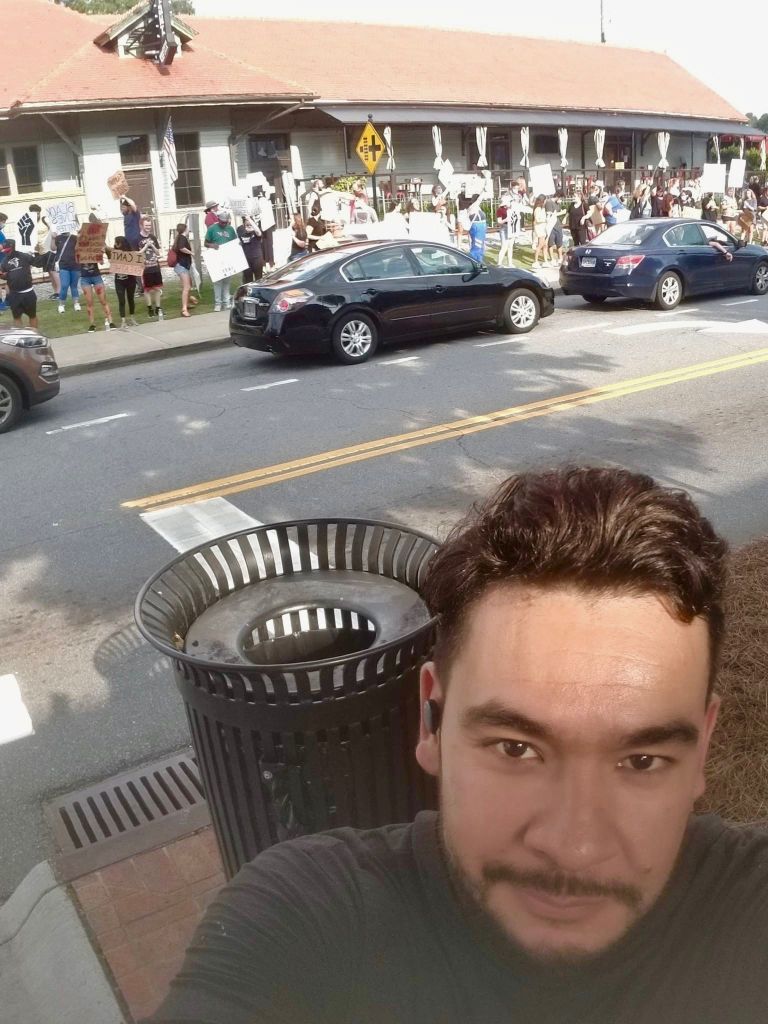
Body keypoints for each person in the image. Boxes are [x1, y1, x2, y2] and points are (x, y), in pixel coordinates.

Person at [150, 465, 768, 1024]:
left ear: (703, 749)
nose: (574, 845)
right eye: (515, 748)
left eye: (641, 761)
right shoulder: (307, 917)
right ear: (432, 720)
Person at [0, 239, 43, 328]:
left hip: (28, 292)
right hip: (15, 294)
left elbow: (38, 264)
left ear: (13, 247)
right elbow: (4, 276)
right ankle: (20, 336)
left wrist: (38, 252)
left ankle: (34, 335)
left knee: (32, 315)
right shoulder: (4, 262)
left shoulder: (24, 256)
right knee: (16, 317)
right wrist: (2, 275)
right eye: (5, 251)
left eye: (8, 250)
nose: (6, 253)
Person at [204, 208, 237, 312]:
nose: (224, 224)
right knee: (218, 281)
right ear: (218, 219)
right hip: (216, 258)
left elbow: (235, 242)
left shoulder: (230, 229)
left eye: (225, 222)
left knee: (227, 281)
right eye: (222, 222)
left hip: (227, 258)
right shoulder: (212, 229)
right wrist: (212, 245)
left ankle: (226, 302)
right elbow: (205, 243)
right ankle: (218, 303)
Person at [109, 236, 139, 330]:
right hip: (119, 280)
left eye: (116, 243)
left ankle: (132, 318)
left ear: (120, 243)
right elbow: (110, 258)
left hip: (130, 280)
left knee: (131, 299)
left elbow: (138, 257)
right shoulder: (114, 253)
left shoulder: (130, 253)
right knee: (121, 300)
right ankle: (123, 321)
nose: (115, 244)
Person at [138, 216, 164, 319]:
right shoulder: (137, 238)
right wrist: (145, 246)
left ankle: (158, 308)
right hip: (145, 268)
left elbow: (158, 252)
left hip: (155, 266)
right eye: (146, 225)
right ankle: (150, 309)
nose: (148, 227)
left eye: (149, 225)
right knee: (147, 289)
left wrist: (152, 245)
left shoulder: (153, 237)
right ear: (141, 226)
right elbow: (137, 253)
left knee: (157, 288)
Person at [171, 222, 196, 317]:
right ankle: (184, 309)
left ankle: (188, 303)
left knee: (187, 285)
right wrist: (191, 252)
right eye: (187, 228)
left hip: (183, 265)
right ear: (184, 229)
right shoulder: (182, 238)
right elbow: (182, 248)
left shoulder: (180, 238)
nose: (188, 230)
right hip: (181, 265)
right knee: (187, 287)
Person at [55, 230, 81, 313]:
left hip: (75, 264)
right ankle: (61, 304)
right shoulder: (58, 238)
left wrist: (79, 237)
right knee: (64, 285)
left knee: (74, 286)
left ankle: (76, 303)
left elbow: (78, 249)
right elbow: (53, 248)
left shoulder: (74, 237)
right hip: (63, 265)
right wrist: (52, 238)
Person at [237, 215, 264, 284]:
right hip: (246, 258)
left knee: (259, 278)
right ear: (244, 223)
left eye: (250, 224)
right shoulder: (240, 229)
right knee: (248, 279)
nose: (249, 225)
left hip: (256, 258)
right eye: (247, 224)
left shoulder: (256, 230)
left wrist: (250, 221)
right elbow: (238, 239)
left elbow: (259, 233)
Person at [530, 194, 549, 268]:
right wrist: (545, 220)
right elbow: (537, 219)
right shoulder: (537, 209)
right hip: (539, 228)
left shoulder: (543, 208)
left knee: (545, 245)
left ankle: (545, 261)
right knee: (540, 244)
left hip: (543, 227)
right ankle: (535, 261)